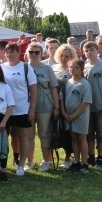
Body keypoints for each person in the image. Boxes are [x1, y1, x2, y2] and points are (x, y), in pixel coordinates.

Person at [0, 42, 37, 176]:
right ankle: (1, 165)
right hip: (4, 110)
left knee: (24, 137)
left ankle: (21, 165)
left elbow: (33, 90)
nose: (9, 54)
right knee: (4, 137)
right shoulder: (0, 67)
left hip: (22, 108)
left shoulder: (26, 68)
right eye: (7, 52)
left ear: (19, 53)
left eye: (12, 52)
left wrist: (32, 109)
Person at [26, 43, 59, 172]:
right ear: (26, 53)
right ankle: (30, 160)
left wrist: (56, 107)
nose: (33, 54)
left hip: (45, 105)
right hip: (27, 106)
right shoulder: (23, 68)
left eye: (36, 52)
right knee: (28, 135)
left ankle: (46, 161)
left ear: (41, 53)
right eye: (31, 52)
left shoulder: (47, 69)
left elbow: (53, 88)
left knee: (44, 134)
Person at [62, 60, 92, 173]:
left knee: (82, 138)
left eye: (76, 68)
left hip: (80, 115)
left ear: (81, 69)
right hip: (68, 116)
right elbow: (62, 99)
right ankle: (76, 162)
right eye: (71, 67)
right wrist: (64, 113)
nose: (73, 70)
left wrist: (75, 114)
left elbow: (85, 102)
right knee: (74, 139)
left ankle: (84, 163)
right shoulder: (67, 83)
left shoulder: (84, 84)